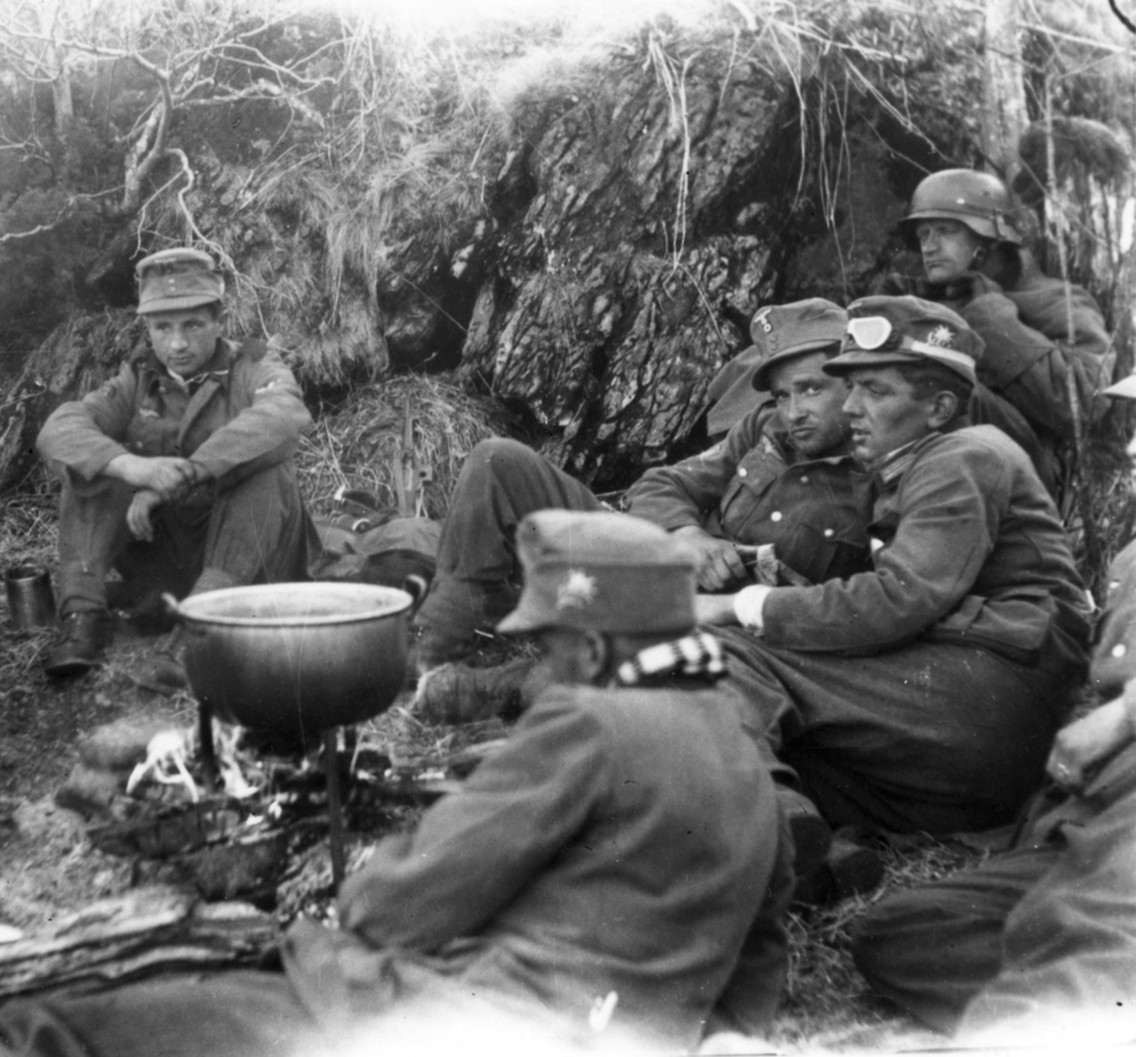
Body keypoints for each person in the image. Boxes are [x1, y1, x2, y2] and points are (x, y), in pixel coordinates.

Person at [0, 511, 793, 1056]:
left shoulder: (593, 722)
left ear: (600, 640)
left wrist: (334, 920)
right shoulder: (740, 745)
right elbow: (759, 959)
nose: (549, 660)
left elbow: (417, 894)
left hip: (453, 1025)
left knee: (43, 1032)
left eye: (557, 640)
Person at [695, 296, 1092, 845]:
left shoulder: (962, 456)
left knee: (727, 652)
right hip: (981, 721)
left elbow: (899, 597)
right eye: (851, 387)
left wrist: (739, 606)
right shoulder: (907, 467)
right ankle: (812, 855)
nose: (852, 407)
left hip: (996, 694)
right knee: (790, 737)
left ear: (940, 407)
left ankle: (769, 831)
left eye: (875, 390)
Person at [848, 368, 1136, 1047]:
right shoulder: (1131, 554)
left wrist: (1123, 719)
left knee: (1095, 932)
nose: (1131, 448)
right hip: (1085, 821)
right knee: (906, 935)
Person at [412, 298, 867, 677]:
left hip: (715, 632)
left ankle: (498, 673)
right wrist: (689, 536)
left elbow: (845, 611)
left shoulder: (879, 481)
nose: (793, 412)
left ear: (853, 383)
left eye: (810, 390)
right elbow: (662, 484)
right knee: (499, 461)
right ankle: (434, 652)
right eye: (783, 395)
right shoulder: (765, 429)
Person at [35, 247, 316, 678]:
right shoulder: (138, 378)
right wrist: (135, 468)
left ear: (219, 321)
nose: (177, 343)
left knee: (266, 469)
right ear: (147, 328)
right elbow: (61, 428)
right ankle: (82, 619)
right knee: (94, 466)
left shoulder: (254, 365)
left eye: (192, 325)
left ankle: (199, 630)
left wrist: (186, 473)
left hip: (246, 564)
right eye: (162, 327)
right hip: (168, 559)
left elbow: (284, 417)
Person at [883, 168, 1112, 497]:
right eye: (923, 235)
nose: (929, 247)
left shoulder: (1055, 301)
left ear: (988, 240)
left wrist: (988, 317)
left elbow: (1081, 403)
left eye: (945, 231)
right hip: (929, 473)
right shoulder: (925, 300)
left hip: (1021, 478)